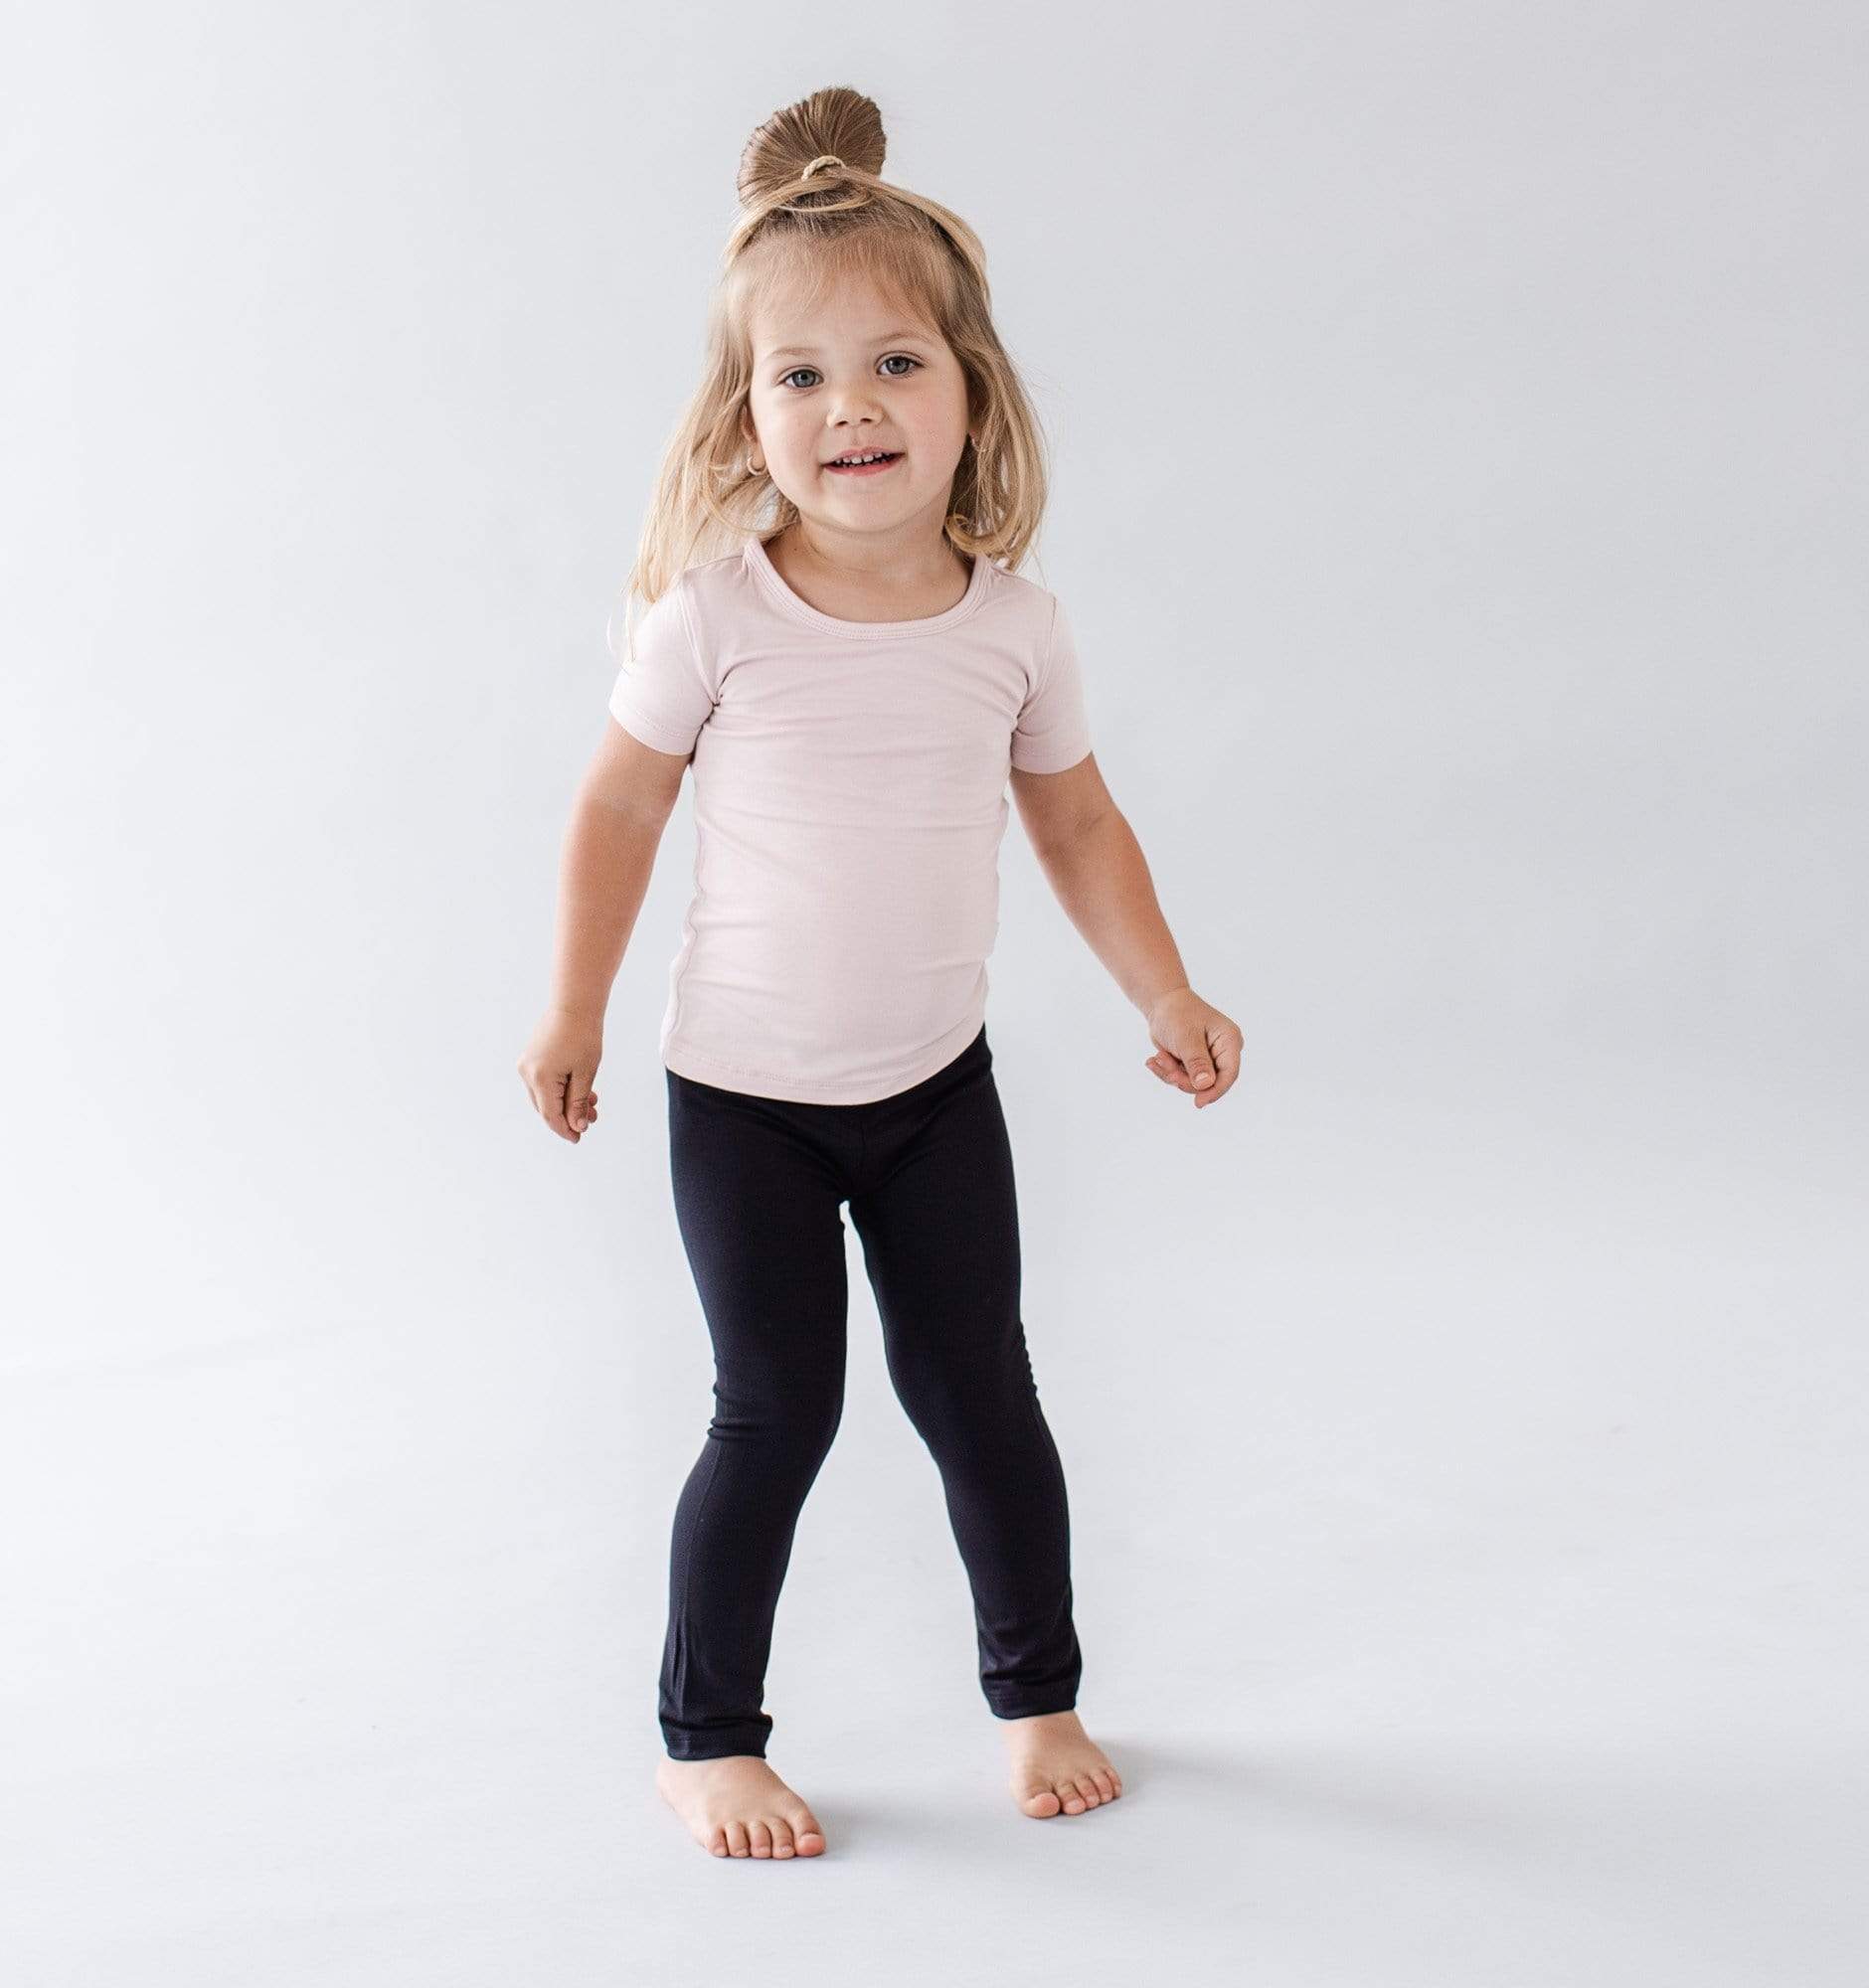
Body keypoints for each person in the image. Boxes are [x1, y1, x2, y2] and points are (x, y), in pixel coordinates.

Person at [516, 85, 1244, 1861]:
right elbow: (617, 809)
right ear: (745, 417)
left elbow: (1079, 824)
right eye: (803, 375)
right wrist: (574, 1009)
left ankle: (1039, 1697)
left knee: (983, 1397)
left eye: (898, 364)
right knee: (775, 1413)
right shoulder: (714, 617)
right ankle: (706, 1739)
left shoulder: (1015, 628)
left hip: (933, 1097)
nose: (853, 406)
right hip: (745, 1102)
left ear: (972, 391)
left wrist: (1164, 991)